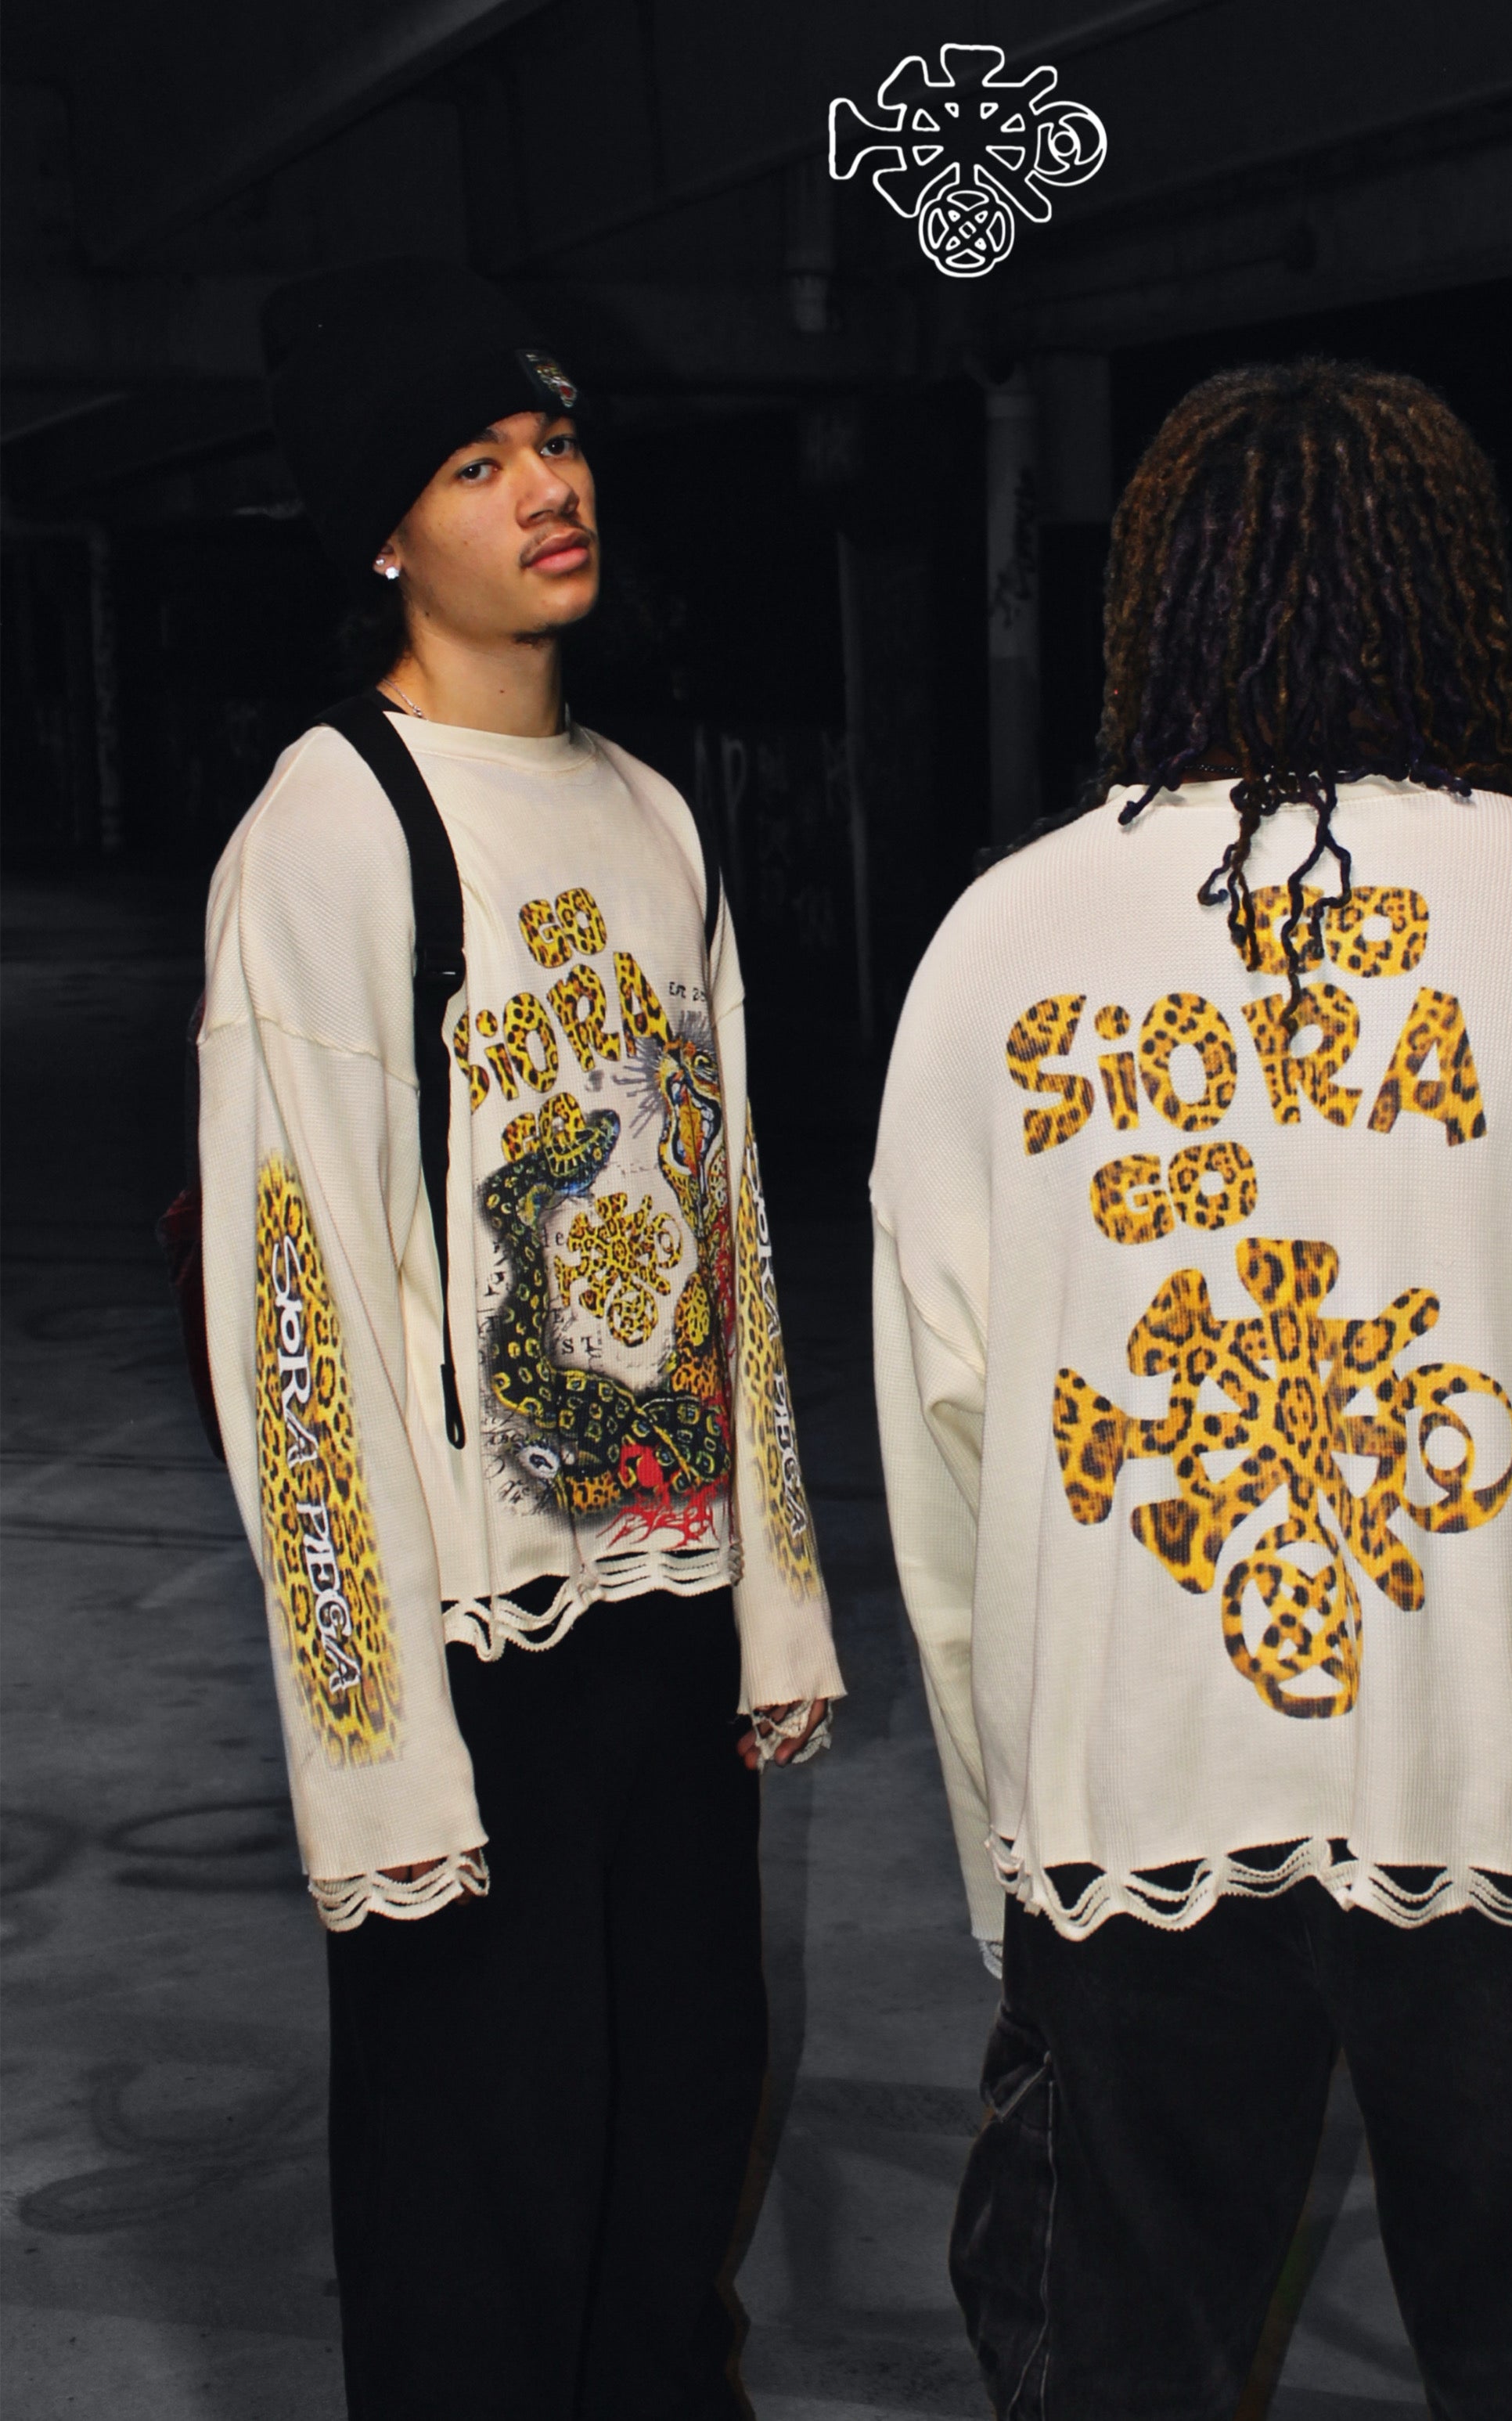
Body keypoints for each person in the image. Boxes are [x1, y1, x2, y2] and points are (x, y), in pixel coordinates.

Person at [871, 360, 1512, 2419]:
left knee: (1116, 2368)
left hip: (1126, 1799)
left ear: (1152, 598)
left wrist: (1010, 1841)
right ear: (1456, 583)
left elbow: (946, 1466)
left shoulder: (995, 948)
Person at [199, 261, 841, 2420]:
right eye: (474, 465)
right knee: (480, 2193)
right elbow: (297, 1314)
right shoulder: (334, 821)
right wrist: (373, 1751)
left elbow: (729, 1234)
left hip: (667, 1601)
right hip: (478, 1640)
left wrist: (772, 1603)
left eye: (553, 441)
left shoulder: (655, 812)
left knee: (674, 2136)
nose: (545, 487)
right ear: (386, 537)